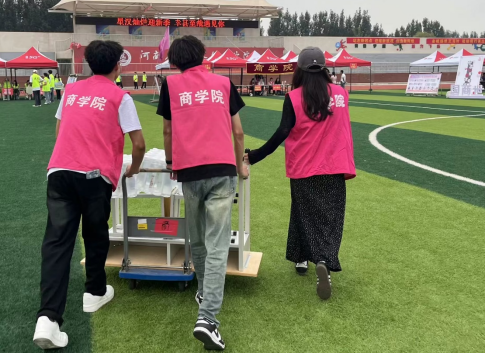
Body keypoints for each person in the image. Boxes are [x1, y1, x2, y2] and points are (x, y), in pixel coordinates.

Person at [33, 40, 146, 350]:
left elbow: (60, 131)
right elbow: (138, 144)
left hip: (59, 171)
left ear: (88, 64)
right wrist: (133, 168)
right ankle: (94, 293)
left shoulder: (70, 91)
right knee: (95, 234)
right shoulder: (120, 96)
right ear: (118, 66)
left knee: (57, 243)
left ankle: (47, 319)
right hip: (95, 176)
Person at [156, 35, 248, 351]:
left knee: (197, 240)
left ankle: (203, 294)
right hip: (222, 170)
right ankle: (207, 318)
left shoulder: (170, 85)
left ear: (174, 61)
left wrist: (171, 163)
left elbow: (167, 129)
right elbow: (238, 131)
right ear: (203, 55)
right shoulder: (222, 83)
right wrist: (241, 164)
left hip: (189, 171)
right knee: (218, 244)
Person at [245, 47, 356, 301]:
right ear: (324, 69)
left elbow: (282, 132)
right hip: (334, 167)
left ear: (300, 70)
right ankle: (315, 258)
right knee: (330, 219)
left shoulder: (294, 98)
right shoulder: (341, 94)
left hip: (304, 168)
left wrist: (255, 155)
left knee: (303, 214)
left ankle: (310, 259)